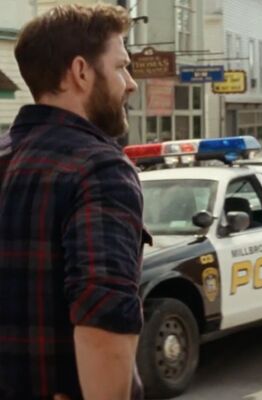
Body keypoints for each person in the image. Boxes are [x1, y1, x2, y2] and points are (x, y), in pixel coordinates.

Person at [0, 4, 151, 400]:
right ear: (81, 72)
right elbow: (103, 321)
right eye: (121, 67)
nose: (130, 84)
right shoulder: (99, 168)